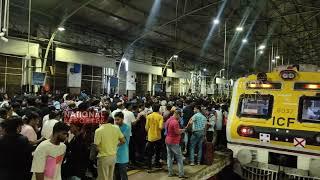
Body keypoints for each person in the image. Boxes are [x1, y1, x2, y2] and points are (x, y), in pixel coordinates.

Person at [94, 112, 125, 180]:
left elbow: (96, 147)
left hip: (103, 158)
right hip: (113, 157)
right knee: (110, 177)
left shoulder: (98, 131)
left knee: (103, 178)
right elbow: (123, 141)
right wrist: (115, 146)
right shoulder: (116, 128)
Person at [165, 109, 187, 178]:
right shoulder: (175, 122)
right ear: (177, 114)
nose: (180, 118)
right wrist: (183, 131)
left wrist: (181, 130)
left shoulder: (168, 120)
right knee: (179, 158)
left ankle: (170, 173)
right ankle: (181, 174)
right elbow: (177, 132)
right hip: (174, 141)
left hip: (167, 140)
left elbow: (170, 130)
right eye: (180, 116)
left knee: (169, 157)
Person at [145, 104, 164, 171]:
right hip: (158, 137)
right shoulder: (160, 117)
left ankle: (149, 167)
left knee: (149, 153)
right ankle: (156, 164)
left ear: (152, 109)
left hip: (150, 137)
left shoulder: (148, 116)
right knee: (158, 151)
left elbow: (146, 128)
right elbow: (160, 127)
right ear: (158, 109)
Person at [114, 112, 131, 180]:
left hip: (123, 152)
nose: (116, 121)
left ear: (122, 119)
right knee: (116, 173)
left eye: (118, 119)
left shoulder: (127, 127)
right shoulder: (114, 127)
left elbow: (122, 140)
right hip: (115, 153)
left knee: (123, 173)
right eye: (115, 120)